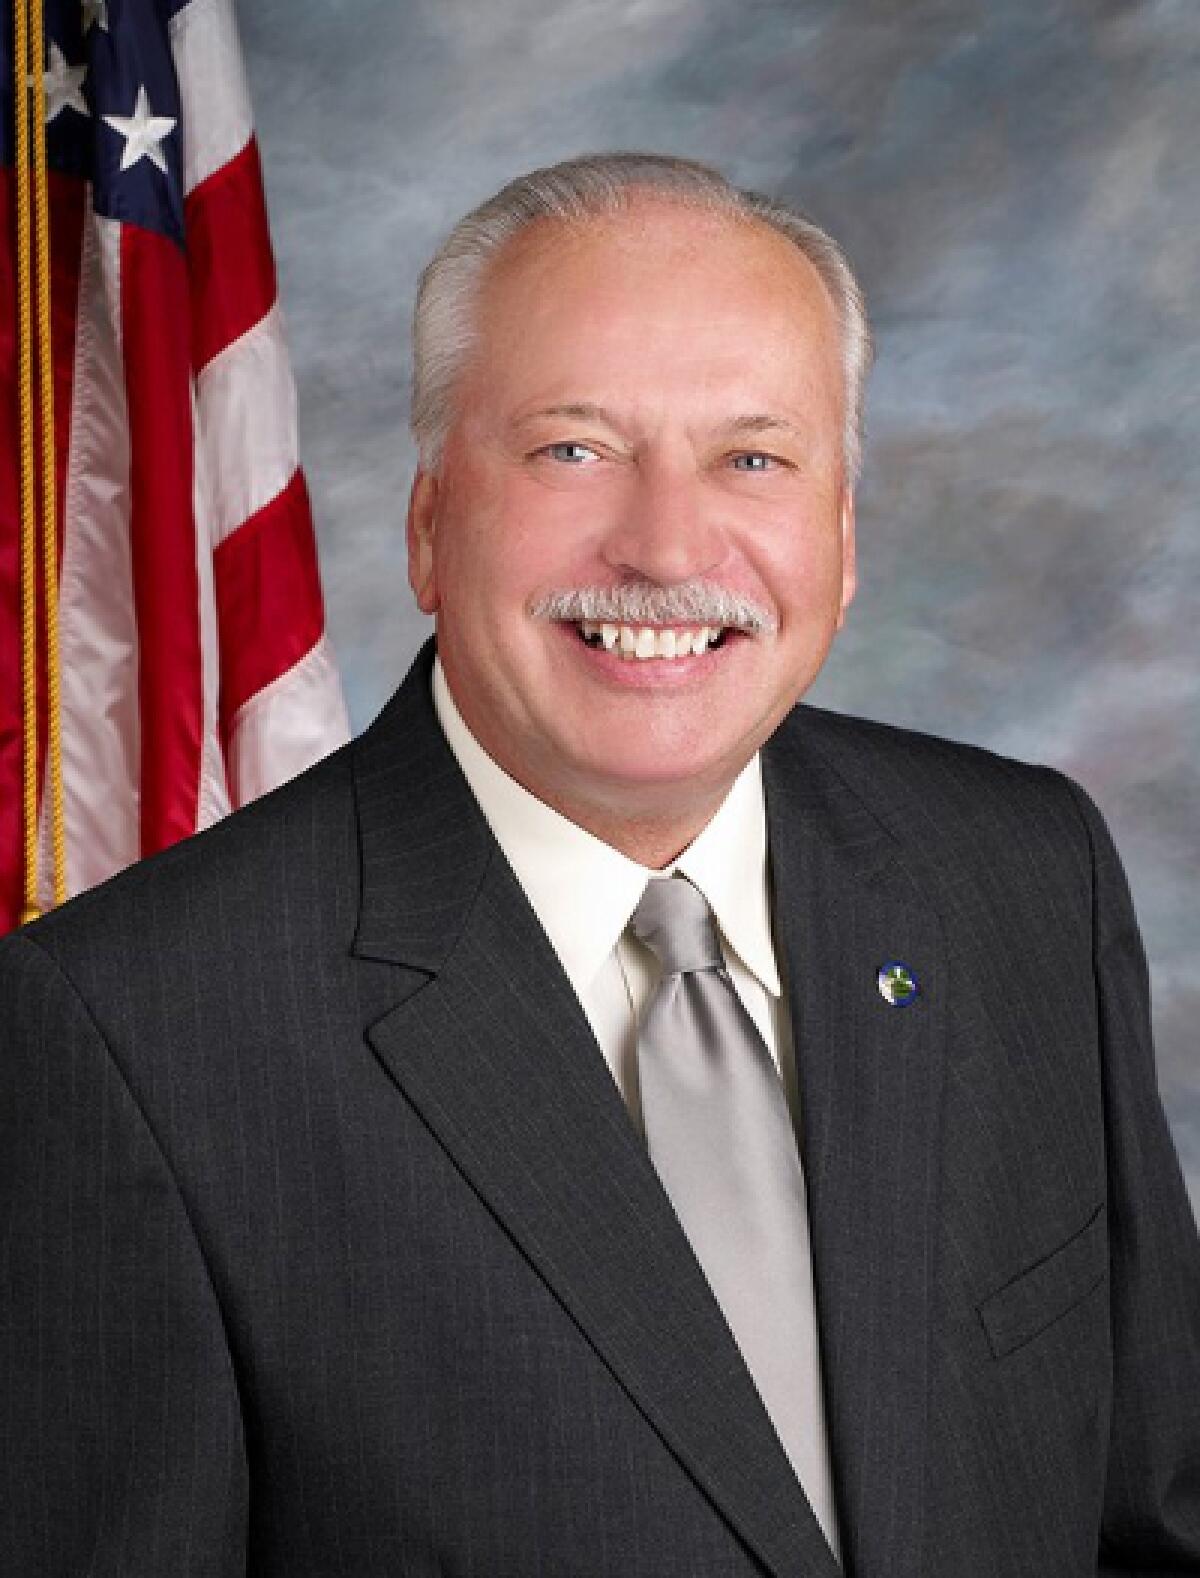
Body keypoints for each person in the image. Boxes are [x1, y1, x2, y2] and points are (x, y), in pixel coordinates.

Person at [1, 151, 1197, 1578]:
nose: (666, 543)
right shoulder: (134, 1035)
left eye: (752, 456)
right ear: (431, 522)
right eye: (574, 448)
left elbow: (1154, 1522)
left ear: (844, 533)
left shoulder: (1019, 875)